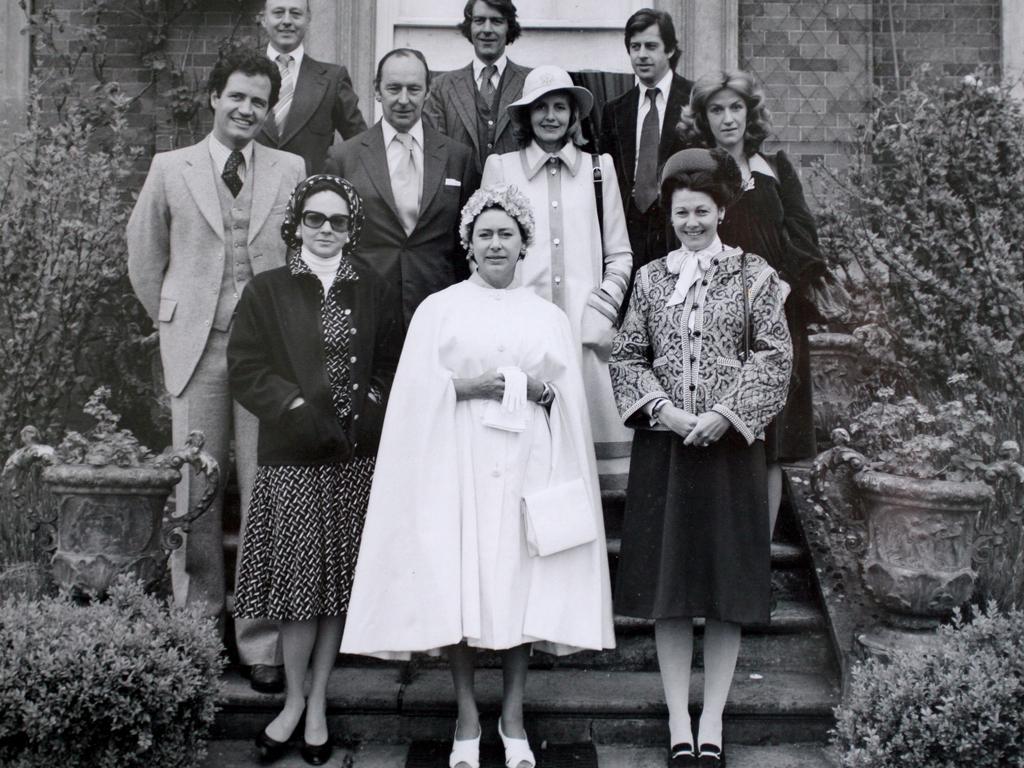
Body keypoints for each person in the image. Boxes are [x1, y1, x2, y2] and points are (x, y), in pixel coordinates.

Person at [341, 185, 615, 768]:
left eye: (506, 234)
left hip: (526, 465)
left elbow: (567, 400)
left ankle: (512, 717)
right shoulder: (439, 310)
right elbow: (414, 395)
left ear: (523, 246)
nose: (496, 244)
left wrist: (541, 392)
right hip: (456, 460)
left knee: (519, 585)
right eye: (485, 234)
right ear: (469, 244)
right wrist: (475, 385)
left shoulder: (547, 317)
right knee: (462, 584)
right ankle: (467, 715)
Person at [126, 48, 306, 694]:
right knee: (194, 492)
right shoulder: (170, 168)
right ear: (213, 97)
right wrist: (178, 318)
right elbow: (144, 258)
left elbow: (302, 256)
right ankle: (197, 633)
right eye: (237, 97)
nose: (247, 110)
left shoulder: (291, 169)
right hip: (195, 351)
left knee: (263, 492)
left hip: (266, 355)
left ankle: (259, 641)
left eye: (259, 101)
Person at [609, 148, 792, 767]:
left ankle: (712, 718)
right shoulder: (652, 278)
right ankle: (676, 720)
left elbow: (775, 356)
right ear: (671, 214)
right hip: (665, 449)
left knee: (722, 585)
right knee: (668, 587)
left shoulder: (755, 277)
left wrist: (725, 415)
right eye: (681, 212)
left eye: (702, 211)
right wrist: (662, 410)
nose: (691, 222)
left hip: (729, 450)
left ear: (722, 212)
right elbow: (627, 355)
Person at [228, 174, 400, 766]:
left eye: (339, 222)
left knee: (335, 590)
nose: (326, 231)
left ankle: (319, 700)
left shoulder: (372, 288)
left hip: (353, 457)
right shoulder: (269, 290)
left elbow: (387, 362)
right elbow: (246, 368)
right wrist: (297, 408)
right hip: (294, 456)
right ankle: (293, 702)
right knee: (300, 588)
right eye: (315, 219)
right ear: (296, 223)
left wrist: (370, 408)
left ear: (352, 231)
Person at [678, 70, 827, 534]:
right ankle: (721, 557)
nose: (728, 118)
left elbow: (805, 241)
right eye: (716, 109)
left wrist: (779, 285)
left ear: (750, 112)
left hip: (774, 322)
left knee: (771, 439)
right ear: (703, 117)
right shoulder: (695, 175)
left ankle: (757, 559)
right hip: (716, 320)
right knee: (719, 432)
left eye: (735, 107)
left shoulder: (777, 169)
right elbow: (682, 239)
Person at [481, 65, 634, 470]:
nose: (551, 116)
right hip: (522, 334)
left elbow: (619, 253)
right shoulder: (502, 168)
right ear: (527, 115)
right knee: (525, 453)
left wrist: (600, 308)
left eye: (561, 107)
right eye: (541, 107)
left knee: (588, 458)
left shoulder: (599, 169)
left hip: (585, 334)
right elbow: (486, 250)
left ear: (574, 115)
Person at [327, 48, 479, 330]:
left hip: (439, 307)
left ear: (428, 92)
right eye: (394, 88)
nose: (404, 100)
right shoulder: (343, 157)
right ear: (377, 90)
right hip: (366, 309)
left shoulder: (458, 157)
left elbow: (466, 244)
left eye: (414, 89)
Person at [600, 8, 693, 271]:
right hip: (629, 230)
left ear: (670, 50)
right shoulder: (614, 110)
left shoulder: (694, 99)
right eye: (634, 46)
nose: (641, 55)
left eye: (651, 46)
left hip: (678, 228)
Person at [256, 0, 367, 174]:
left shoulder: (333, 78)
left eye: (295, 13)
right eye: (278, 13)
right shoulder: (242, 75)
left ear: (308, 18)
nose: (287, 20)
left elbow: (360, 145)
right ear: (263, 19)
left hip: (311, 195)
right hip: (253, 194)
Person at [423, 0, 530, 174]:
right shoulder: (441, 87)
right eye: (479, 20)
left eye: (496, 21)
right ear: (469, 26)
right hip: (458, 198)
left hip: (518, 196)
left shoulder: (529, 82)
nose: (487, 30)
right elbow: (434, 154)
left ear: (509, 27)